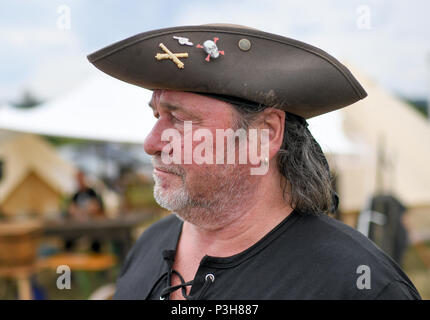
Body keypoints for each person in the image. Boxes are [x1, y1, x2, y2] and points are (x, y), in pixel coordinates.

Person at [87, 24, 421, 300]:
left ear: (265, 133)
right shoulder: (149, 244)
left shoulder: (357, 286)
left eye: (179, 120)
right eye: (157, 115)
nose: (152, 143)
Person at [64, 170, 105, 252]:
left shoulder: (92, 192)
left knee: (96, 240)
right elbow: (71, 210)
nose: (79, 182)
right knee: (67, 239)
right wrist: (83, 211)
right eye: (78, 180)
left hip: (92, 225)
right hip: (78, 225)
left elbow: (95, 207)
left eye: (81, 179)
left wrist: (80, 211)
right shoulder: (75, 195)